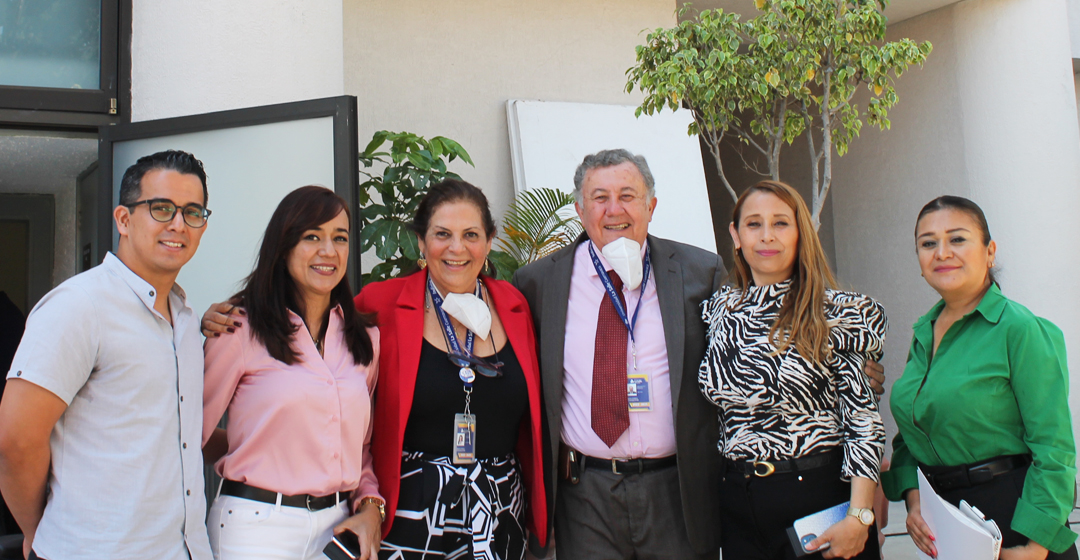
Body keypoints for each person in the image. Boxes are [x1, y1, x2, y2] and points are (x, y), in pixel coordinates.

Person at [203, 179, 547, 560]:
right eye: (442, 234)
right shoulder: (378, 308)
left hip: (497, 509)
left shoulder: (515, 306)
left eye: (471, 234)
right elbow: (189, 434)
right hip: (408, 508)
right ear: (420, 241)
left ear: (489, 241)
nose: (457, 247)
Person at [511, 149, 726, 560]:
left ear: (651, 206)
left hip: (676, 491)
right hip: (584, 494)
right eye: (599, 197)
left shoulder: (700, 273)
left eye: (628, 195)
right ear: (579, 208)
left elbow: (740, 355)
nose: (614, 210)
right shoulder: (538, 282)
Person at [0, 150, 214, 560]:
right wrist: (38, 528)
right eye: (161, 208)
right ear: (123, 219)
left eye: (193, 212)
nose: (178, 224)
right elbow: (16, 440)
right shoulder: (79, 306)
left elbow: (178, 435)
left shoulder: (184, 320)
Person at [697, 180, 887, 560]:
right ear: (736, 235)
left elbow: (863, 421)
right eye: (753, 224)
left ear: (801, 231)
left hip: (817, 498)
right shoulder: (718, 309)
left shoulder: (839, 314)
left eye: (781, 223)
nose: (767, 236)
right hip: (738, 502)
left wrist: (860, 516)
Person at [882, 196, 1077, 560]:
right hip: (951, 525)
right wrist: (914, 503)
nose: (941, 252)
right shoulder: (924, 333)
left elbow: (1054, 449)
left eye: (957, 239)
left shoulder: (1019, 329)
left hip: (1016, 518)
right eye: (928, 243)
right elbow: (909, 436)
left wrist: (1036, 546)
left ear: (990, 251)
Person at [201, 186, 384, 560]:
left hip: (337, 525)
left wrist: (370, 507)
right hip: (256, 527)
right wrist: (249, 447)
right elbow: (187, 436)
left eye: (340, 238)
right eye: (311, 237)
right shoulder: (239, 329)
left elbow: (360, 447)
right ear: (283, 247)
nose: (328, 251)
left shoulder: (365, 340)